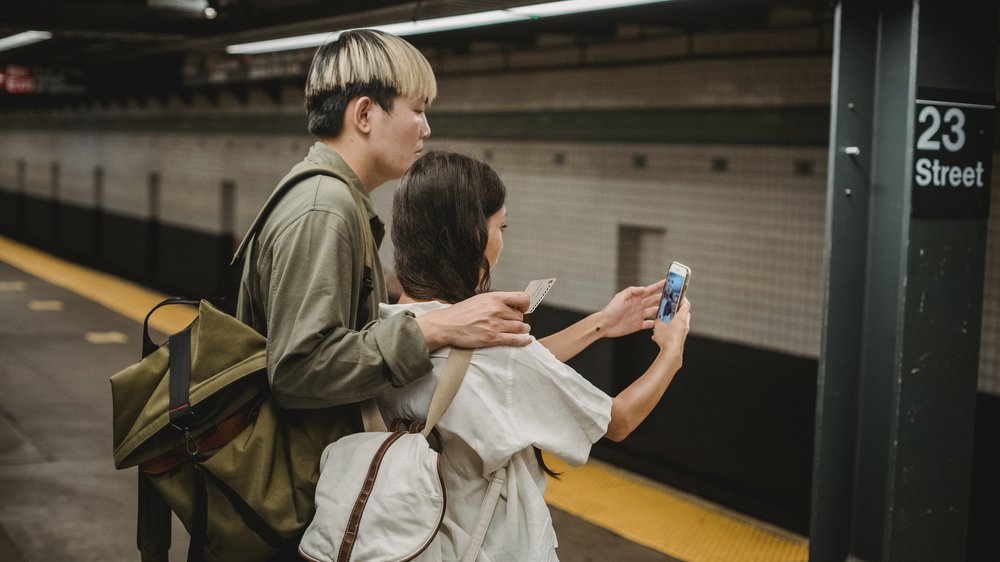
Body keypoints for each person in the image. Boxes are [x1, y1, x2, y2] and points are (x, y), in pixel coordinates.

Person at [378, 151, 692, 561]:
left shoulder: (383, 333)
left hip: (411, 545)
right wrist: (672, 351)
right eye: (500, 226)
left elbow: (495, 376)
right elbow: (617, 420)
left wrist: (602, 323)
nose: (502, 242)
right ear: (470, 236)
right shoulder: (496, 359)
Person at [236, 29, 534, 415]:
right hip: (296, 470)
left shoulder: (332, 198)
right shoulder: (323, 209)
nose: (426, 128)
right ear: (364, 114)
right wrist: (434, 328)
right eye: (418, 110)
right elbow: (298, 371)